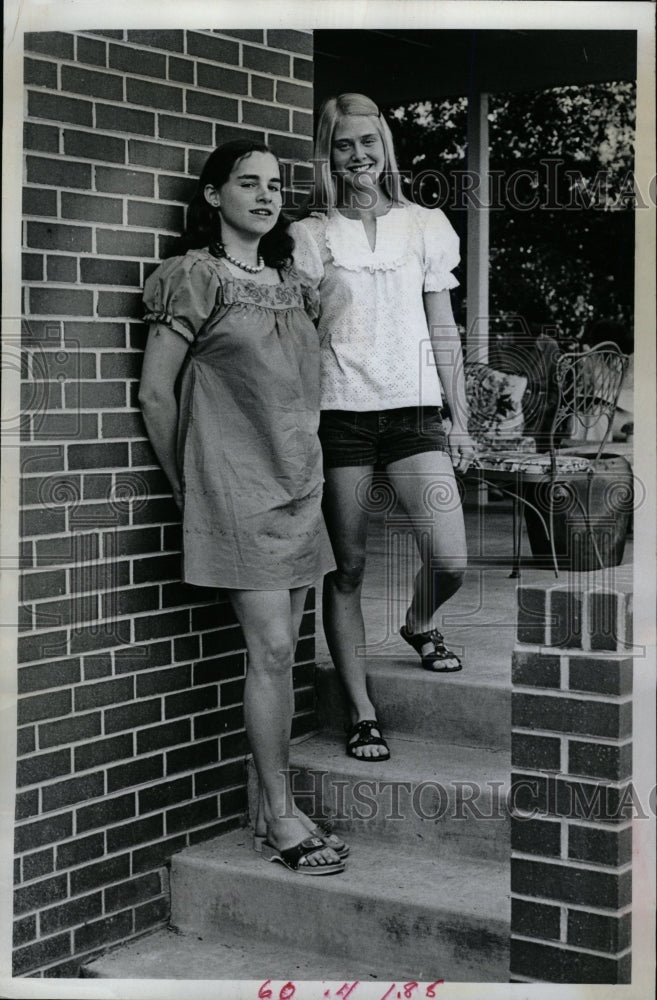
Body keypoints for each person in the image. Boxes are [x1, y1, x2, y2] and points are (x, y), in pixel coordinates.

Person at [139, 139, 346, 875]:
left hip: (297, 485)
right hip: (233, 490)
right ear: (211, 196)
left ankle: (266, 809)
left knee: (281, 659)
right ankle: (285, 817)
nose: (264, 195)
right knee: (273, 653)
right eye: (247, 183)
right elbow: (155, 394)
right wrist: (185, 486)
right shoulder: (195, 279)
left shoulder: (293, 283)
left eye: (274, 185)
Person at [290, 94, 476, 763]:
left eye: (368, 142)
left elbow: (442, 327)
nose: (358, 156)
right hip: (339, 415)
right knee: (348, 569)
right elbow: (301, 336)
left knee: (450, 556)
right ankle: (361, 711)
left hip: (413, 414)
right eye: (344, 145)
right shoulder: (308, 237)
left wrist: (458, 416)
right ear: (328, 153)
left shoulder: (424, 225)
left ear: (385, 147)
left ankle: (418, 622)